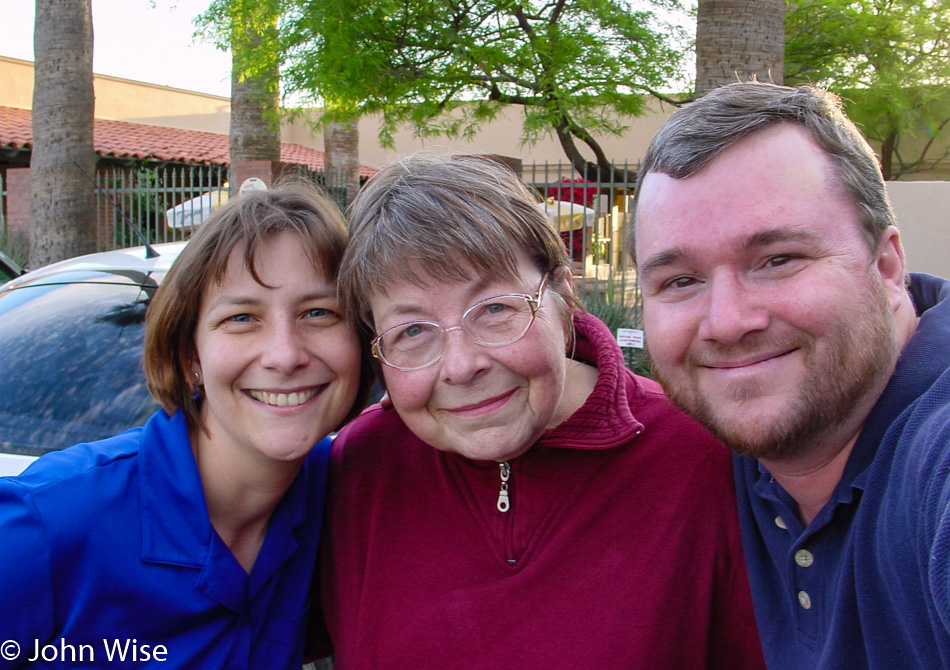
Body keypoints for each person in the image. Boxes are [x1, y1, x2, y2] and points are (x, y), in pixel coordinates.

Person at [307, 152, 765, 669]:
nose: (460, 367)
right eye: (412, 331)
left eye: (495, 309)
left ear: (564, 296)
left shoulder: (706, 462)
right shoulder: (365, 465)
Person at [631, 82, 950, 669]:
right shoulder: (721, 457)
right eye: (679, 280)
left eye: (778, 260)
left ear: (885, 264)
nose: (726, 324)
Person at [0, 183, 370, 669]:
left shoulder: (349, 496)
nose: (284, 355)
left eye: (319, 313)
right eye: (241, 318)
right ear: (189, 356)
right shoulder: (45, 525)